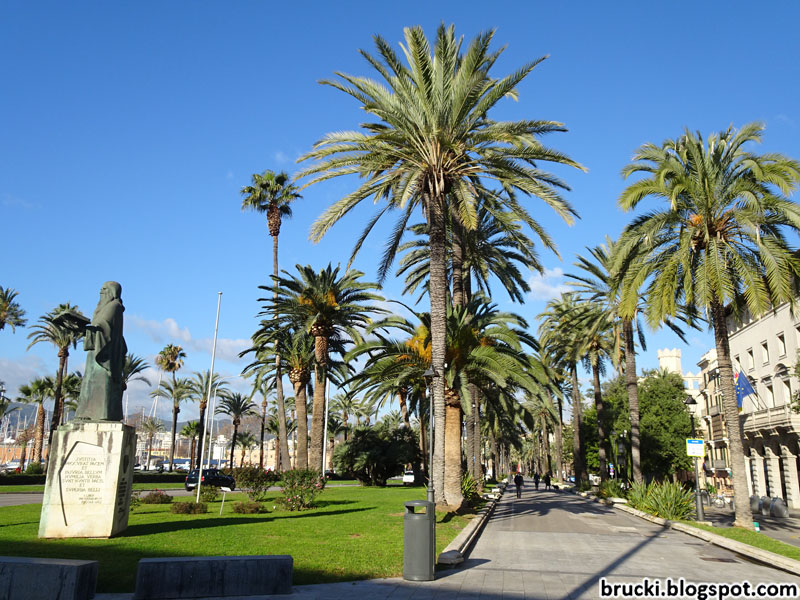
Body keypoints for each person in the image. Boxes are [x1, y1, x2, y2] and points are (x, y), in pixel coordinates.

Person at [74, 281, 127, 421]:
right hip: (96, 349)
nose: (101, 292)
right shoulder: (102, 308)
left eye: (104, 289)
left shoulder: (114, 306)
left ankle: (103, 414)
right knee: (89, 382)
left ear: (112, 291)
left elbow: (104, 326)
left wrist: (89, 328)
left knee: (102, 382)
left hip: (105, 352)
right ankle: (86, 413)